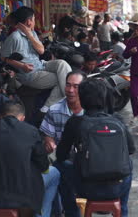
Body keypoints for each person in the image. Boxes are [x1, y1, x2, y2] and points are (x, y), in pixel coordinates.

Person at [0, 101, 60, 217]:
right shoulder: (31, 131)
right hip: (23, 196)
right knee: (55, 174)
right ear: (22, 118)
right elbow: (44, 167)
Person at [56, 79, 135, 217]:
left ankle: (72, 213)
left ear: (82, 98)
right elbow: (131, 149)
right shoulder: (117, 120)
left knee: (59, 166)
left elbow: (61, 155)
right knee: (129, 163)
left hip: (86, 188)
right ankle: (122, 210)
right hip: (117, 188)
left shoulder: (76, 122)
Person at [1, 6, 72, 112]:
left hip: (41, 65)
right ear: (29, 21)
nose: (34, 22)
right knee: (62, 79)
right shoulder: (14, 37)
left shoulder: (32, 33)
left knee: (62, 64)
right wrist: (21, 66)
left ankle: (68, 99)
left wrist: (29, 34)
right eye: (34, 19)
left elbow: (41, 51)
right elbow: (3, 58)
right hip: (30, 74)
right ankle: (48, 106)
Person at [40, 71, 85, 217]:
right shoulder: (54, 110)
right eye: (68, 85)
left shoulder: (90, 111)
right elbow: (48, 136)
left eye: (76, 87)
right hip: (62, 158)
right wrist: (49, 142)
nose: (71, 90)